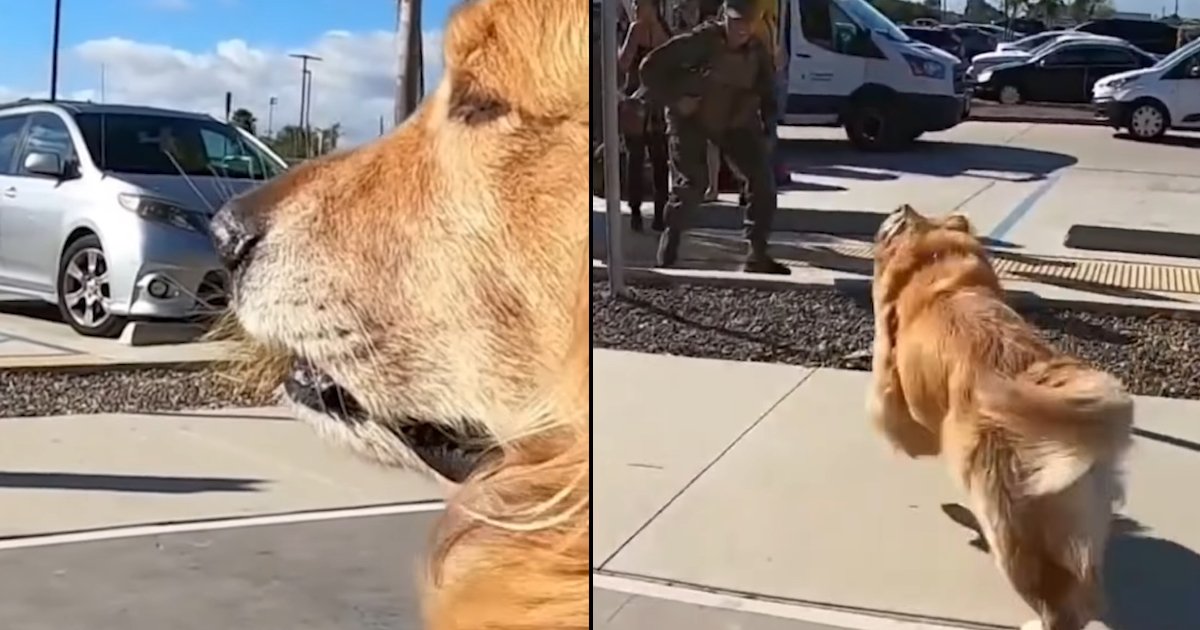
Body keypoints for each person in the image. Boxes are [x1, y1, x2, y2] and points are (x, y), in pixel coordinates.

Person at [638, 0, 789, 274]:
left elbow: (767, 92)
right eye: (736, 21)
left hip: (734, 122)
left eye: (748, 22)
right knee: (693, 184)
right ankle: (670, 245)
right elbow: (650, 68)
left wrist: (769, 126)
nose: (742, 28)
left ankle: (757, 253)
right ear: (723, 17)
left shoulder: (757, 51)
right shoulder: (700, 42)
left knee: (763, 181)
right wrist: (675, 98)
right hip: (691, 119)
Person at [618, 0, 672, 232]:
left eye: (640, 4)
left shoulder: (648, 30)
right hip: (646, 102)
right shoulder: (648, 30)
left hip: (647, 104)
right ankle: (647, 212)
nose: (636, 8)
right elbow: (623, 63)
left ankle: (649, 212)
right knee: (647, 160)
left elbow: (624, 63)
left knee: (648, 159)